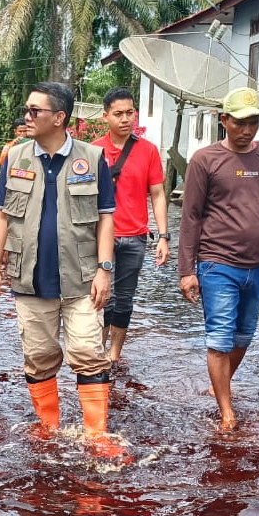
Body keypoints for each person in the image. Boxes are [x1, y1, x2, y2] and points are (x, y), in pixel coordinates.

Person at [0, 81, 121, 454]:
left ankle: (97, 435)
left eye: (35, 111)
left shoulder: (92, 159)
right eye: (27, 110)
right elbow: (0, 216)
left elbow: (106, 218)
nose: (27, 117)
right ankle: (48, 428)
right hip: (29, 278)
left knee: (87, 350)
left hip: (82, 278)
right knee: (39, 355)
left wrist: (105, 269)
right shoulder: (14, 158)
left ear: (59, 117)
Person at [178, 87, 259, 431]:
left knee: (243, 337)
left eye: (254, 122)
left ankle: (220, 387)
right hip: (217, 264)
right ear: (224, 120)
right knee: (219, 338)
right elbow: (191, 217)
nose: (247, 130)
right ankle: (227, 412)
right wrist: (187, 270)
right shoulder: (205, 160)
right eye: (240, 123)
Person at [92, 87, 170, 365]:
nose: (125, 119)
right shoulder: (93, 151)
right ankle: (96, 351)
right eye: (118, 114)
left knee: (125, 298)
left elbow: (158, 194)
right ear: (106, 117)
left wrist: (163, 236)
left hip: (135, 237)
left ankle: (114, 355)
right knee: (102, 296)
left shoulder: (148, 151)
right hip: (101, 236)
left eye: (130, 113)